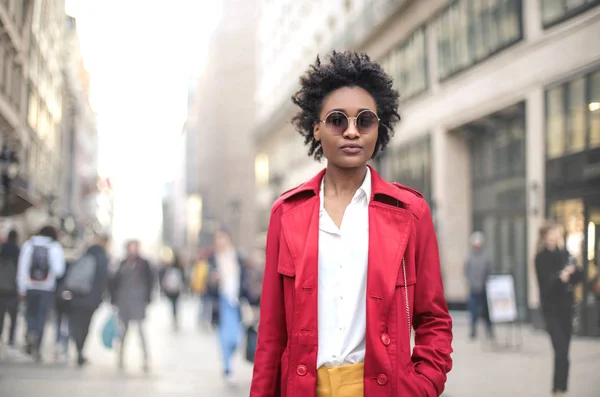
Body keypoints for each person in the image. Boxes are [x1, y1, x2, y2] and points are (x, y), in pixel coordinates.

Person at [249, 51, 453, 397]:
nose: (352, 132)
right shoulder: (287, 213)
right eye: (337, 120)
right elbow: (271, 336)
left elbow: (433, 320)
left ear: (380, 127)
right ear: (316, 127)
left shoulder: (410, 212)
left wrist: (421, 387)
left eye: (365, 120)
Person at [535, 222, 583, 397]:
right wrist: (559, 278)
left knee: (565, 353)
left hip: (566, 309)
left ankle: (561, 388)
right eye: (553, 232)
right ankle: (558, 392)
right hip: (551, 311)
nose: (556, 236)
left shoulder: (565, 254)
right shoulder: (540, 258)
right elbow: (545, 287)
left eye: (558, 232)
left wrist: (575, 270)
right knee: (561, 350)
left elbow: (579, 278)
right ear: (546, 235)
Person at [207, 228, 251, 384]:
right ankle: (227, 367)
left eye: (223, 238)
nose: (221, 241)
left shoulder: (237, 256)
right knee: (224, 338)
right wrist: (213, 281)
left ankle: (229, 361)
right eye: (218, 238)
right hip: (221, 303)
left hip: (236, 302)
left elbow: (246, 278)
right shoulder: (212, 259)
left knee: (236, 338)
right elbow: (207, 286)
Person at [17, 225, 66, 361]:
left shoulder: (29, 244)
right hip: (47, 289)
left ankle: (31, 332)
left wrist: (21, 288)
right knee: (42, 317)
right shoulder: (54, 247)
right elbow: (59, 270)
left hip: (29, 287)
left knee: (30, 315)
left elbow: (22, 269)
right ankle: (37, 346)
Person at [65, 234, 110, 366]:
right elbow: (104, 281)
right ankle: (80, 349)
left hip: (77, 296)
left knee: (75, 322)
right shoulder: (103, 259)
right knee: (86, 325)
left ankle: (77, 346)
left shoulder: (84, 255)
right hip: (91, 299)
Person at [111, 240, 155, 372]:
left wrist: (148, 298)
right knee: (123, 331)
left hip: (138, 300)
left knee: (140, 330)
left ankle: (146, 358)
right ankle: (120, 357)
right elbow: (115, 281)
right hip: (124, 300)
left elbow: (150, 281)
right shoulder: (122, 263)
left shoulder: (144, 264)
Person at [464, 231, 494, 340]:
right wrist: (472, 282)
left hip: (484, 288)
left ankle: (489, 330)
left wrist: (485, 282)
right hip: (473, 288)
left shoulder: (486, 256)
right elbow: (467, 271)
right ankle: (473, 330)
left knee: (487, 311)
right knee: (473, 311)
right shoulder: (470, 257)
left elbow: (489, 270)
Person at [0, 230, 21, 356]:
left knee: (0, 316)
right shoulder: (18, 251)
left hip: (1, 288)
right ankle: (11, 342)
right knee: (13, 317)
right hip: (13, 289)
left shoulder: (2, 249)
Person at [159, 252, 186, 331]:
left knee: (173, 304)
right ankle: (175, 318)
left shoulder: (168, 267)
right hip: (175, 290)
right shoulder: (180, 268)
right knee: (175, 304)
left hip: (171, 290)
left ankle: (174, 318)